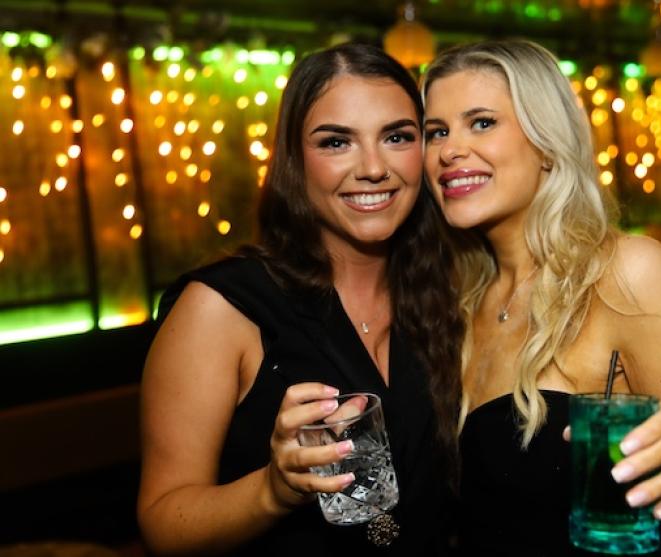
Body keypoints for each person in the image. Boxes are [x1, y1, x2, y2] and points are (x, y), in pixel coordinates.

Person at [421, 40, 661, 555]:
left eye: (482, 122)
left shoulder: (625, 273)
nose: (449, 150)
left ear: (546, 143)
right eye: (436, 132)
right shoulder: (455, 302)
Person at [137, 43, 463, 556]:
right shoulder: (221, 307)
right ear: (295, 159)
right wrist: (272, 491)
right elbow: (162, 524)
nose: (373, 167)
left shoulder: (447, 293)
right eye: (336, 142)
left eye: (397, 137)